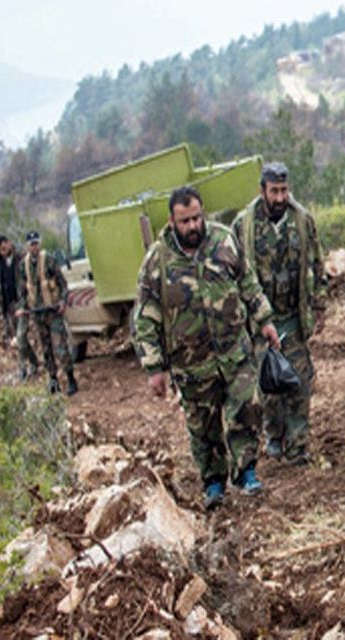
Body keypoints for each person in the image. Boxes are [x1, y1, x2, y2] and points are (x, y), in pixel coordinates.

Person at [134, 186, 281, 510]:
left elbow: (248, 283)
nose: (192, 226)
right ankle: (213, 481)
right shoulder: (157, 261)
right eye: (185, 221)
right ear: (172, 222)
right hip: (191, 363)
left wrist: (265, 320)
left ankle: (246, 471)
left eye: (197, 218)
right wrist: (154, 368)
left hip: (235, 352)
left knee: (248, 406)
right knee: (204, 424)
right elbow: (145, 318)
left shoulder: (224, 240)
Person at [233, 162, 328, 466]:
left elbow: (316, 262)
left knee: (299, 381)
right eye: (274, 191)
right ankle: (274, 435)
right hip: (262, 320)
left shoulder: (302, 220)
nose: (279, 197)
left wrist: (319, 305)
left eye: (284, 190)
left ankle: (298, 444)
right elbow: (235, 274)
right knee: (269, 383)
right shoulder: (244, 225)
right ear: (262, 191)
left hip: (292, 314)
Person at [15, 230, 77, 395]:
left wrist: (63, 301)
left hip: (53, 311)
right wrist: (23, 308)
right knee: (46, 350)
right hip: (37, 314)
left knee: (60, 347)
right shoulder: (23, 265)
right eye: (31, 244)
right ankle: (53, 380)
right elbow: (22, 291)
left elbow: (63, 284)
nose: (34, 247)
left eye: (36, 243)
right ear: (27, 246)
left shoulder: (49, 260)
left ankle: (71, 378)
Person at [0, 235, 20, 340]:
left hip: (19, 299)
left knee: (22, 334)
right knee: (12, 335)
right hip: (6, 302)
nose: (2, 252)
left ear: (9, 243)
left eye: (4, 248)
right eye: (0, 250)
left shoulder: (19, 257)